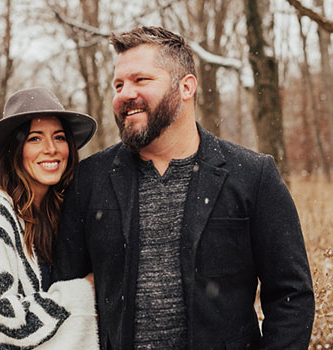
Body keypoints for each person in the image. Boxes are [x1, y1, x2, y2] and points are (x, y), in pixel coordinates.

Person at [52, 26, 315, 350]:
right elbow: (64, 291)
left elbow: (291, 295)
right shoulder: (90, 179)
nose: (124, 94)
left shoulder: (252, 176)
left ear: (186, 87)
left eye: (141, 80)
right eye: (118, 84)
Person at [0, 87, 99, 349]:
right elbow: (0, 324)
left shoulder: (63, 215)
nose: (51, 149)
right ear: (13, 150)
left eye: (59, 137)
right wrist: (84, 289)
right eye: (35, 139)